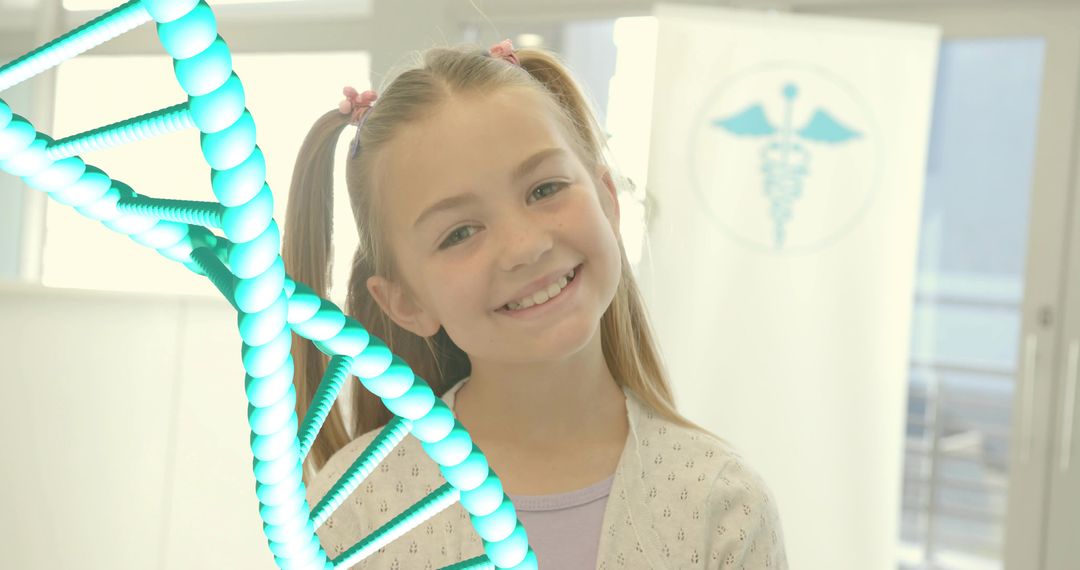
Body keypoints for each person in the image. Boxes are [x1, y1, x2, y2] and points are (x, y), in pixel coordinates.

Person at [283, 39, 788, 569]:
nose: (525, 247)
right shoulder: (353, 514)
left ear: (607, 202)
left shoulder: (723, 506)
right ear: (405, 302)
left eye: (544, 190)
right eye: (459, 233)